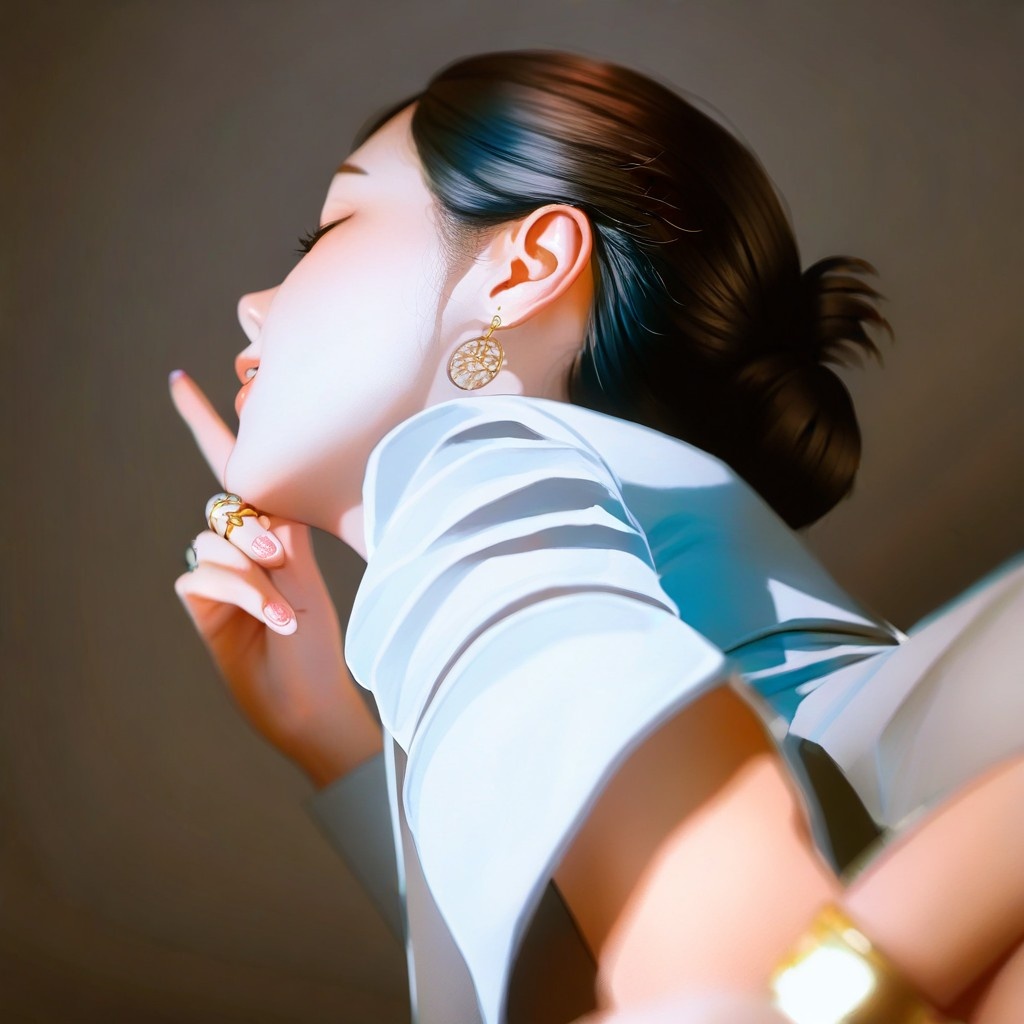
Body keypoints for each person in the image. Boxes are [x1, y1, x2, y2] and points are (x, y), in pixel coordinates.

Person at [169, 51, 1023, 1024]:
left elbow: (728, 990)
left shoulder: (466, 465)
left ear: (523, 268)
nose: (253, 304)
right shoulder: (547, 519)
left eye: (327, 229)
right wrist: (332, 734)